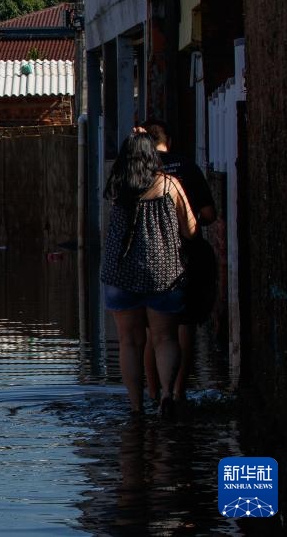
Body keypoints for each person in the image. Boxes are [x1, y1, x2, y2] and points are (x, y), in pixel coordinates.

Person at [101, 133, 197, 417]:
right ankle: (167, 393)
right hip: (163, 273)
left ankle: (135, 406)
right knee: (165, 338)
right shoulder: (170, 185)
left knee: (129, 341)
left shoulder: (118, 188)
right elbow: (190, 229)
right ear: (152, 156)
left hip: (121, 274)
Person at [141, 119, 218, 404]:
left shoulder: (139, 172)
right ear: (168, 141)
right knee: (185, 325)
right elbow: (209, 214)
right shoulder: (185, 168)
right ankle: (177, 392)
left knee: (154, 331)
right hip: (188, 253)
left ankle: (152, 393)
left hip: (150, 257)